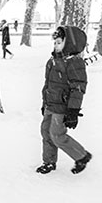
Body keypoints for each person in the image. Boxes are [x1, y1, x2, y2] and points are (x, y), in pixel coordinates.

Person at [36, 25, 91, 175]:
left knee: (57, 135)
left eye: (59, 43)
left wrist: (73, 111)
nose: (56, 46)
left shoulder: (74, 62)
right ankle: (49, 162)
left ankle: (81, 156)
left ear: (69, 44)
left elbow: (78, 88)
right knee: (45, 132)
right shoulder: (51, 61)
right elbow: (47, 84)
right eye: (55, 43)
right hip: (50, 104)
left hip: (62, 107)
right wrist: (44, 103)